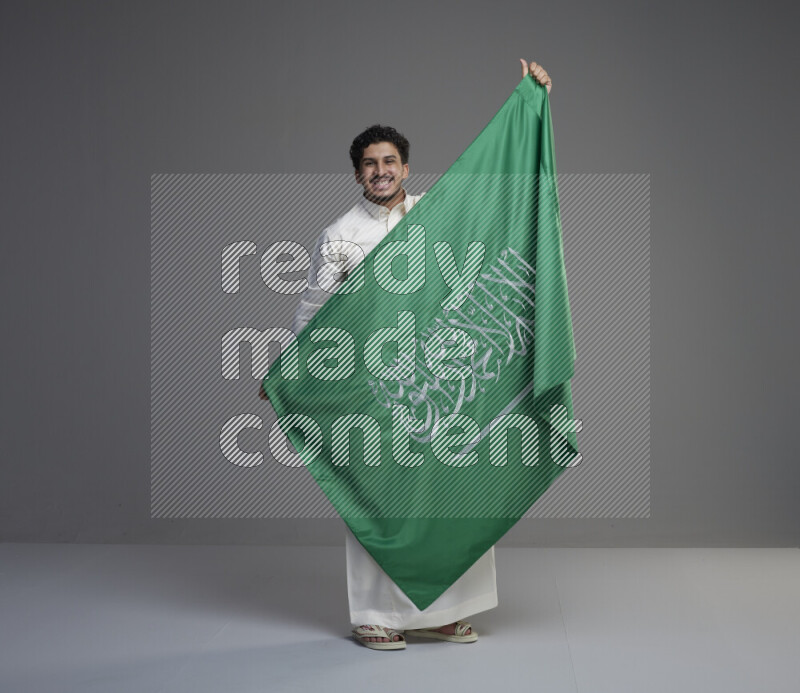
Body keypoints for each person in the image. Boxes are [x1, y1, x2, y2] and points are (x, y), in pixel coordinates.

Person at [260, 59, 553, 650]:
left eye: (389, 161)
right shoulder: (341, 234)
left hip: (445, 374)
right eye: (369, 164)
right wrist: (287, 371)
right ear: (357, 174)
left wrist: (532, 102)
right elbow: (315, 311)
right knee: (378, 497)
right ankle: (377, 617)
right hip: (377, 386)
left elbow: (496, 202)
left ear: (406, 168)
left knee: (453, 484)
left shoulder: (434, 217)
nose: (380, 171)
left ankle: (449, 610)